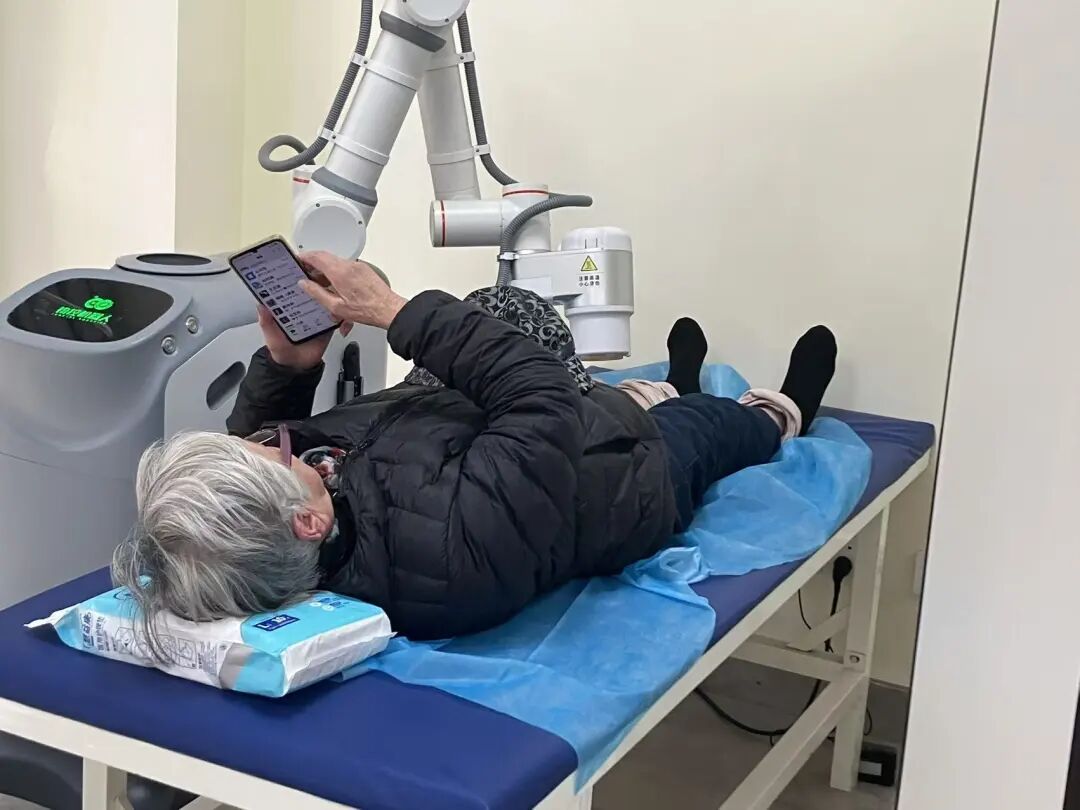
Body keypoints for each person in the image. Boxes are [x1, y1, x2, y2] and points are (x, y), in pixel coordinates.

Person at [114, 252, 836, 643]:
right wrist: (393, 312)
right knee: (704, 427)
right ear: (308, 521)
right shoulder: (448, 553)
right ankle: (781, 411)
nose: (273, 441)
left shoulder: (282, 524)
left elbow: (255, 453)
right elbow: (544, 395)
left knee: (505, 313)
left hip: (471, 429)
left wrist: (290, 364)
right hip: (615, 472)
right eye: (272, 453)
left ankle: (668, 383)